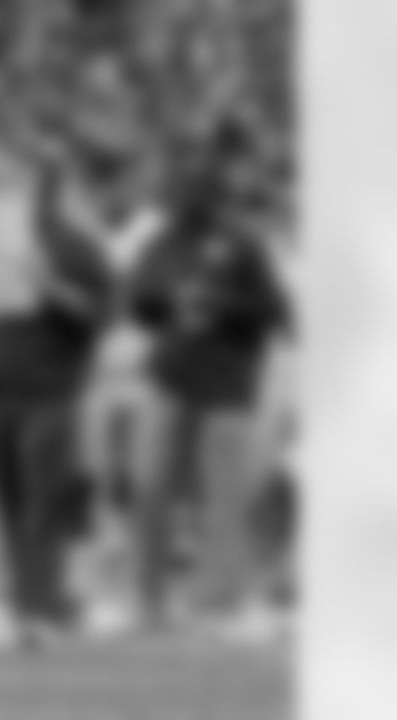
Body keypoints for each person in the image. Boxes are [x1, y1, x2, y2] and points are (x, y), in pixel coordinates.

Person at [0, 139, 117, 645]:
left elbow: (102, 315)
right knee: (7, 505)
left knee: (44, 504)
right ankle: (32, 602)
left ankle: (40, 609)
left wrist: (53, 290)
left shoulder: (70, 244)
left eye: (9, 177)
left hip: (48, 390)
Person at [121, 135, 293, 639]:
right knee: (148, 487)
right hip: (167, 379)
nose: (184, 196)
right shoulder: (162, 241)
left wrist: (222, 306)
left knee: (224, 496)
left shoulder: (243, 243)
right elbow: (137, 301)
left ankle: (220, 602)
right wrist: (171, 299)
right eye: (180, 187)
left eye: (194, 187)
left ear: (212, 192)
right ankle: (147, 601)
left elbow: (278, 313)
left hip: (227, 384)